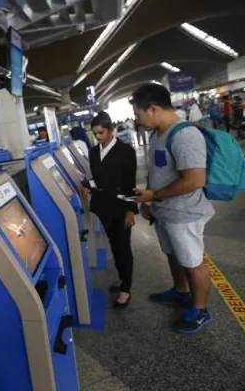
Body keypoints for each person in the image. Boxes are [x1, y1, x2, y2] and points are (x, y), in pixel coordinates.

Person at [131, 83, 214, 333]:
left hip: (184, 214)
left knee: (192, 262)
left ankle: (200, 311)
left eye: (138, 115)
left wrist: (155, 195)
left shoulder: (185, 135)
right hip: (164, 211)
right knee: (173, 254)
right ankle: (181, 291)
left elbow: (195, 180)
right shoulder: (157, 135)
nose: (138, 121)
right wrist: (149, 200)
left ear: (153, 108)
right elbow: (156, 171)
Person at [84, 112, 138, 309]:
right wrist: (88, 186)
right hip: (103, 205)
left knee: (123, 246)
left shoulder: (125, 151)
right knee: (114, 245)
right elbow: (97, 179)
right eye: (95, 133)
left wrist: (130, 209)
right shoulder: (93, 152)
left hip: (121, 206)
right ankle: (122, 278)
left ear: (111, 130)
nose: (98, 137)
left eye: (101, 132)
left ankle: (126, 288)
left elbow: (130, 182)